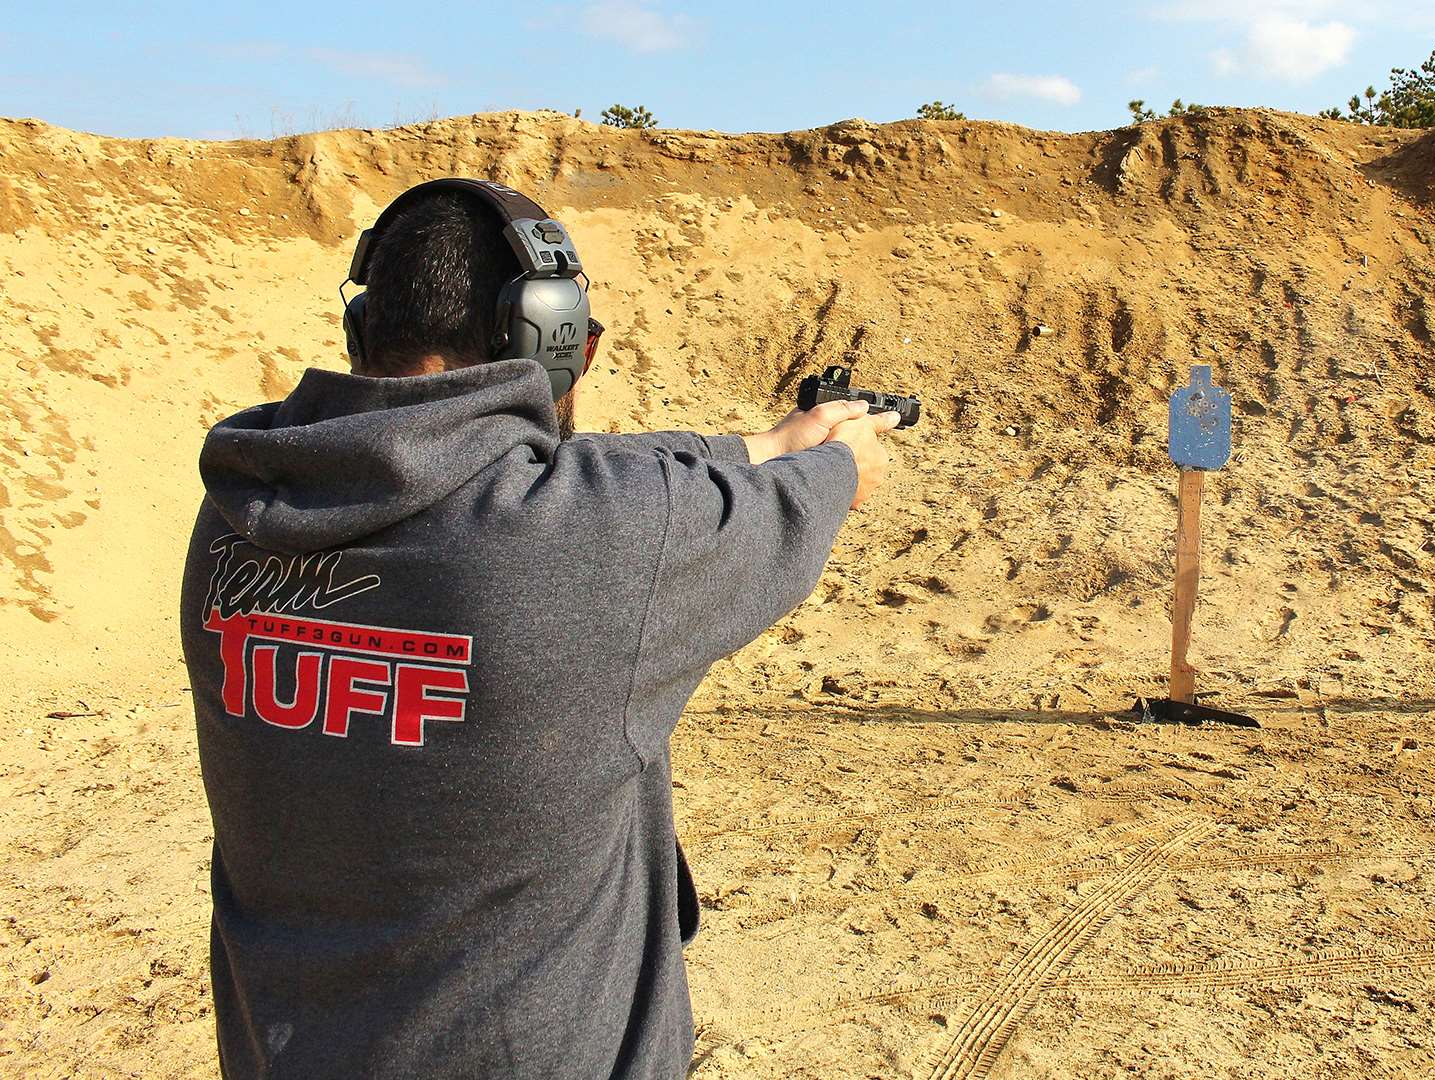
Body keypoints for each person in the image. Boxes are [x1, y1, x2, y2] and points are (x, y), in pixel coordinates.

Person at [178, 179, 899, 1079]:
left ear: (364, 331)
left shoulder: (244, 509)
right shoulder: (606, 542)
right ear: (547, 338)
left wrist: (762, 444)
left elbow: (571, 479)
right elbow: (798, 493)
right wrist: (836, 460)